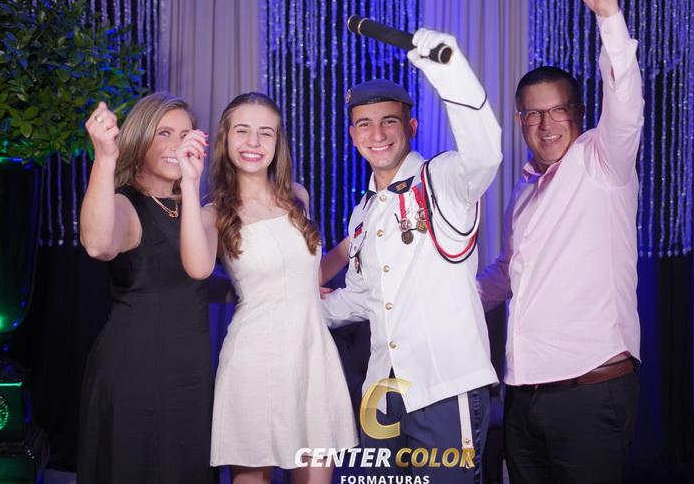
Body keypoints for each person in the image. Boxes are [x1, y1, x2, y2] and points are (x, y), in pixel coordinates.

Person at [477, 0, 643, 483]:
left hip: (588, 392)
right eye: (533, 115)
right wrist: (438, 299)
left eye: (558, 111)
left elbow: (626, 102)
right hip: (524, 394)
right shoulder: (524, 191)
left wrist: (608, 16)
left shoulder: (603, 162)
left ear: (580, 112)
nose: (546, 125)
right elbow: (507, 272)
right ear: (520, 121)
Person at [321, 28, 502, 482]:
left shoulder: (443, 180)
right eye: (365, 124)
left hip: (444, 384)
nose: (377, 134)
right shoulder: (363, 213)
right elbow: (362, 297)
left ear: (412, 127)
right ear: (353, 135)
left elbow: (485, 153)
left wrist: (451, 71)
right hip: (380, 391)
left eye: (389, 121)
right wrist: (296, 309)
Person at [176, 92, 358, 484]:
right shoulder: (213, 213)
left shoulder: (297, 197)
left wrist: (350, 247)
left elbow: (307, 277)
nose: (254, 143)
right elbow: (197, 268)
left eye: (266, 133)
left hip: (312, 356)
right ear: (225, 139)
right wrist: (189, 184)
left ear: (278, 142)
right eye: (242, 131)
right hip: (255, 360)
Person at [78, 93, 215, 483]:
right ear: (139, 138)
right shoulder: (125, 204)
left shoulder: (194, 206)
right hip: (137, 369)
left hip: (191, 370)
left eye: (185, 134)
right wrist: (105, 158)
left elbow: (194, 281)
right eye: (164, 133)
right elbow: (98, 244)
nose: (175, 144)